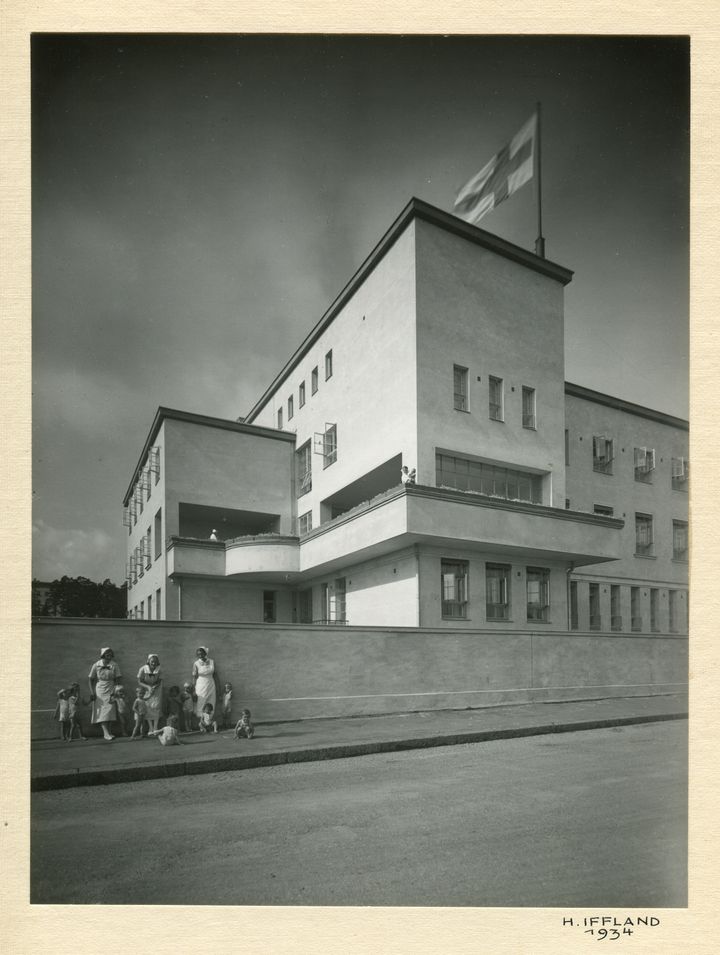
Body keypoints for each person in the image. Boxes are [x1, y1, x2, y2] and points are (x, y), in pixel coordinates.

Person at [88, 647, 122, 741]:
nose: (109, 656)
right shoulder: (96, 665)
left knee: (110, 710)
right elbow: (90, 679)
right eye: (107, 655)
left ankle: (109, 731)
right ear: (103, 655)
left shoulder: (114, 665)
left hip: (111, 688)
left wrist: (116, 690)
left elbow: (118, 678)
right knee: (102, 712)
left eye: (111, 655)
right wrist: (92, 692)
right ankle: (105, 733)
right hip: (100, 690)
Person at [137, 653, 163, 735]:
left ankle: (155, 728)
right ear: (148, 661)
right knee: (148, 708)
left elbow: (159, 681)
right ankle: (150, 728)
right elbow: (139, 681)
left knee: (156, 707)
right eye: (152, 661)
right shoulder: (142, 669)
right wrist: (148, 687)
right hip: (146, 689)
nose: (154, 663)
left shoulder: (159, 669)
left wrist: (154, 687)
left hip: (157, 690)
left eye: (155, 661)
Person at [192, 646, 218, 724]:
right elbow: (194, 677)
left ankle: (209, 723)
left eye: (201, 653)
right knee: (201, 702)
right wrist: (193, 690)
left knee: (211, 702)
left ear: (205, 653)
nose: (200, 655)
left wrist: (218, 687)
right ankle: (201, 724)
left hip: (211, 684)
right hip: (200, 684)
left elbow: (215, 675)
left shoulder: (212, 662)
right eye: (198, 654)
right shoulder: (196, 663)